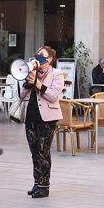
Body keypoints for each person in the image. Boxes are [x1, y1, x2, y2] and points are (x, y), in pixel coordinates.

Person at [20, 45, 65, 199]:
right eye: (37, 56)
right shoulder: (32, 72)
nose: (39, 59)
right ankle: (36, 183)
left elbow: (53, 96)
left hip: (47, 118)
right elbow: (21, 94)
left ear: (50, 59)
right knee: (34, 152)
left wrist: (38, 84)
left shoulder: (57, 74)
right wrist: (28, 82)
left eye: (42, 57)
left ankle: (44, 186)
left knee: (43, 152)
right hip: (31, 116)